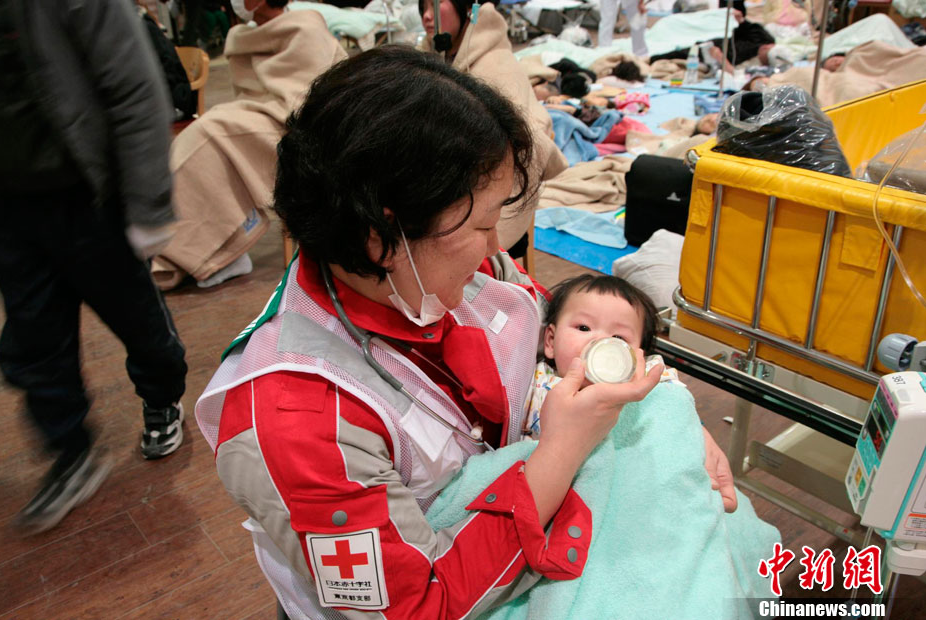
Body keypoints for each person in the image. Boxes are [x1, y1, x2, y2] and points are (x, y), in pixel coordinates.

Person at [197, 46, 736, 618]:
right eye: (481, 225)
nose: (495, 249)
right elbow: (417, 604)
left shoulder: (442, 273)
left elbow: (558, 329)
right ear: (382, 234)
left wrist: (662, 419)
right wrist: (562, 450)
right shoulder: (296, 422)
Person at [0, 0, 188, 534]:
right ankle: (70, 448)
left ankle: (162, 398)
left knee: (136, 318)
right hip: (8, 205)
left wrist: (148, 204)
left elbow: (134, 86)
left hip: (87, 193)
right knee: (33, 335)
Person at [151, 0, 348, 289]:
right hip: (256, 113)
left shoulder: (306, 28)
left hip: (295, 129)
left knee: (213, 135)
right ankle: (209, 249)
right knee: (206, 139)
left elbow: (310, 99)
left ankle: (216, 251)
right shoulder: (242, 36)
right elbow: (250, 93)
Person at [524, 275, 737, 512]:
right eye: (584, 328)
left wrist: (697, 431)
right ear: (551, 341)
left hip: (638, 487)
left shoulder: (648, 377)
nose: (601, 341)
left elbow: (674, 406)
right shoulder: (536, 382)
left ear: (637, 356)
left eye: (618, 338)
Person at [418, 0, 568, 255]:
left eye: (436, 4)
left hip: (486, 193)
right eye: (423, 8)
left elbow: (524, 142)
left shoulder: (495, 66)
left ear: (466, 8)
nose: (427, 16)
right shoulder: (433, 62)